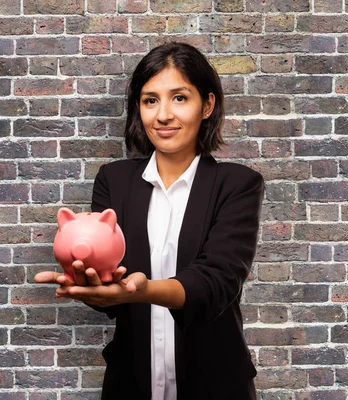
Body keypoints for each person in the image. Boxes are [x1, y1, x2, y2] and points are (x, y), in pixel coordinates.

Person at [34, 42, 264, 400]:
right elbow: (109, 279)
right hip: (131, 381)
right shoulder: (115, 181)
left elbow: (216, 282)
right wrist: (87, 282)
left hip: (217, 384)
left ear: (207, 105)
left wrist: (144, 291)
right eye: (150, 100)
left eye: (180, 98)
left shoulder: (237, 184)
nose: (163, 115)